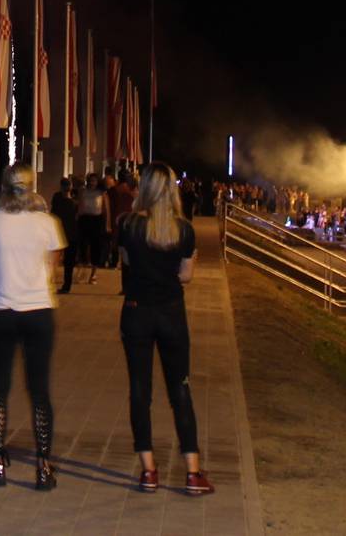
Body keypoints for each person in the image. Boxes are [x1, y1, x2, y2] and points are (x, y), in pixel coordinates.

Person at [118, 162, 214, 496]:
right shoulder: (184, 230)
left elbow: (127, 263)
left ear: (143, 188)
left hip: (136, 311)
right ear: (172, 189)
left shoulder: (129, 225)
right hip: (171, 312)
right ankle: (192, 472)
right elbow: (186, 276)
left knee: (140, 391)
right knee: (180, 389)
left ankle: (149, 470)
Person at [0, 165, 65, 490]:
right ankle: (43, 467)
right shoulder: (48, 223)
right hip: (39, 309)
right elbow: (53, 263)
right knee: (39, 390)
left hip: (2, 309)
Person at [77, 172, 111, 284]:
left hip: (97, 220)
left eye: (94, 181)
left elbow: (106, 209)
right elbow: (80, 206)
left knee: (96, 246)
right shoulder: (83, 191)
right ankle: (82, 270)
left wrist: (107, 225)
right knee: (83, 245)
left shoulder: (101, 193)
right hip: (85, 219)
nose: (92, 183)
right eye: (91, 180)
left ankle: (93, 274)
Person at [50, 177, 82, 294]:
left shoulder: (72, 201)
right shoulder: (60, 199)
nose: (66, 188)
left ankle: (66, 285)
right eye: (65, 185)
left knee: (68, 261)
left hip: (69, 233)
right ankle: (61, 284)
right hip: (62, 232)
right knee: (61, 260)